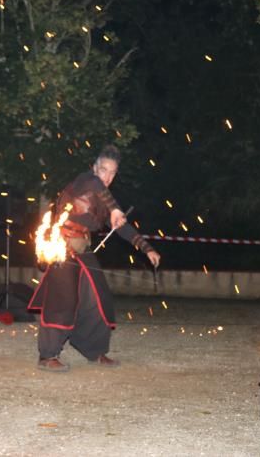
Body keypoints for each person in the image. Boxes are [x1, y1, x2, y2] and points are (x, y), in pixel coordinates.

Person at [28, 145, 161, 372]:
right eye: (103, 170)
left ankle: (94, 350)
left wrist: (147, 248)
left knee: (98, 299)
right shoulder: (84, 181)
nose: (107, 177)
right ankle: (48, 355)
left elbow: (122, 228)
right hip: (63, 247)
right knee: (63, 300)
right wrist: (115, 209)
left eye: (112, 173)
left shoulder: (103, 200)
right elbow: (96, 185)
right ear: (94, 168)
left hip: (83, 250)